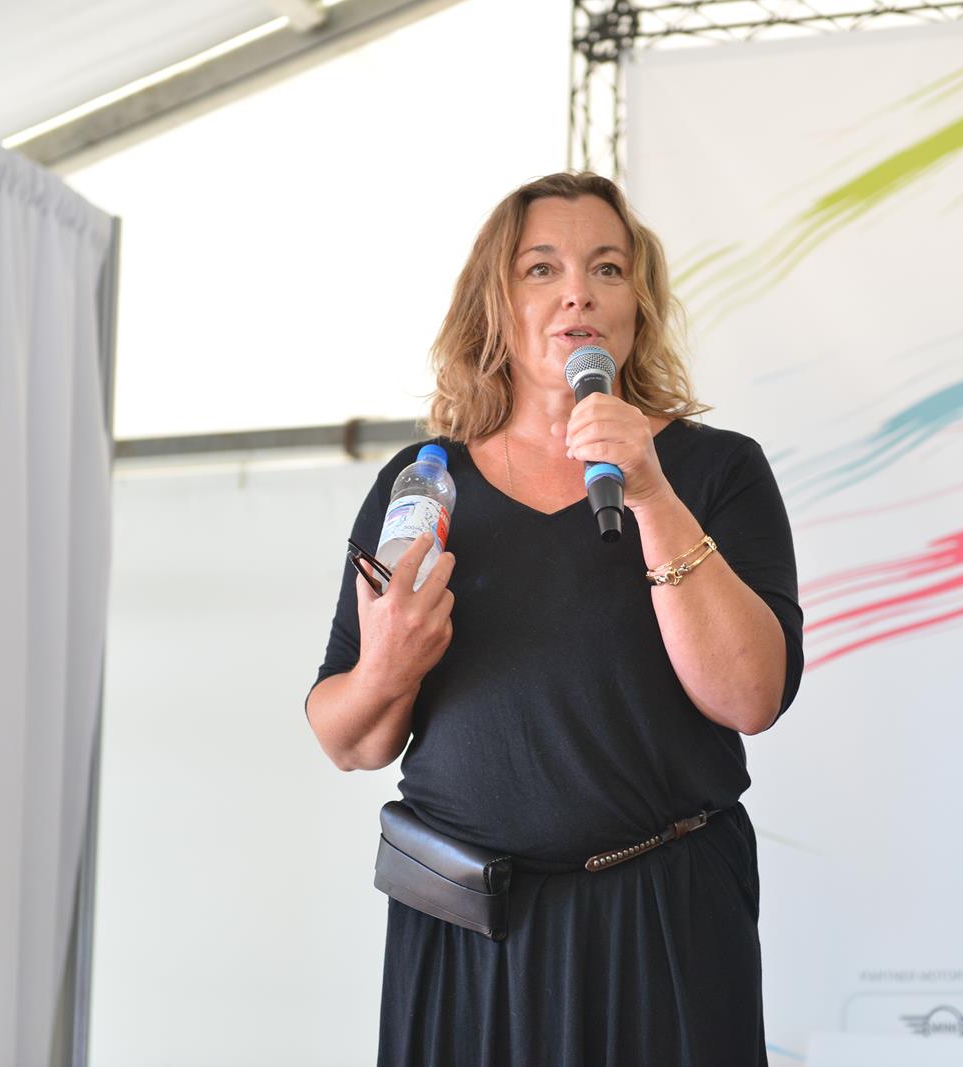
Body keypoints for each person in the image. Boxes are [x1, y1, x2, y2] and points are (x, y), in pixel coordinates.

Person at [306, 172, 803, 1066]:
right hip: (461, 932)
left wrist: (649, 490)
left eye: (607, 268)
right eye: (543, 268)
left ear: (637, 305)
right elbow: (350, 739)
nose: (579, 291)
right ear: (497, 303)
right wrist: (388, 665)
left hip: (663, 920)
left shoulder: (717, 470)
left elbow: (751, 695)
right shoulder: (423, 484)